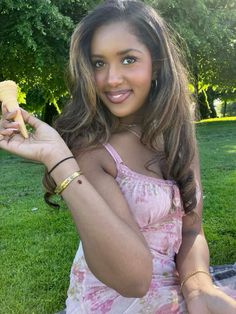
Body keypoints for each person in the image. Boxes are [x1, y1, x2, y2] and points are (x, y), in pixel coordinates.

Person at [0, 0, 235, 313]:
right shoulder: (94, 151)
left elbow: (191, 229)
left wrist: (198, 286)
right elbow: (134, 280)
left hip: (179, 291)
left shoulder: (177, 136)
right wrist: (58, 159)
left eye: (128, 59)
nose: (111, 79)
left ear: (158, 65)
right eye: (98, 63)